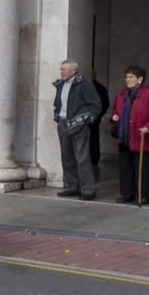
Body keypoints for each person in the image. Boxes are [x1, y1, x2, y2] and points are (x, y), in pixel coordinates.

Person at [109, 65, 149, 204]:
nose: (127, 80)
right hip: (124, 137)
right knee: (125, 167)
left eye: (131, 77)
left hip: (141, 137)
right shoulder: (122, 94)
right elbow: (115, 110)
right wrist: (115, 117)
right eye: (126, 77)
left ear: (139, 79)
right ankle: (126, 194)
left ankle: (142, 196)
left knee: (141, 169)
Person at [51, 59, 101, 200]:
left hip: (79, 125)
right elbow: (58, 103)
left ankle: (88, 190)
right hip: (63, 123)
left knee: (82, 158)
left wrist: (86, 120)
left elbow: (96, 105)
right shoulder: (60, 84)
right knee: (67, 157)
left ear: (74, 71)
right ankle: (71, 187)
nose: (61, 72)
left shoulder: (84, 84)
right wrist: (57, 115)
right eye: (61, 69)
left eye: (64, 69)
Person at [89, 69, 110, 181]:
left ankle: (94, 161)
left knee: (93, 141)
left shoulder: (100, 88)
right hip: (81, 121)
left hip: (94, 120)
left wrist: (96, 117)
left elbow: (105, 104)